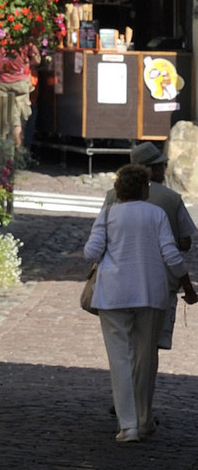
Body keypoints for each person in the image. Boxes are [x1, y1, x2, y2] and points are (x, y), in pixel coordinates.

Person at [84, 163, 189, 442]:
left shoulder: (108, 214)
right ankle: (144, 420)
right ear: (144, 188)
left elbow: (91, 251)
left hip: (113, 294)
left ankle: (127, 425)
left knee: (120, 358)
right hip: (150, 293)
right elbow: (172, 254)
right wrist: (187, 285)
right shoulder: (156, 214)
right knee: (145, 357)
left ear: (118, 190)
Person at [99, 141, 196, 355]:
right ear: (149, 170)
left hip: (119, 282)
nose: (164, 170)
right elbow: (184, 244)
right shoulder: (171, 199)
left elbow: (99, 241)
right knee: (150, 348)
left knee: (124, 347)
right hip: (159, 284)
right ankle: (141, 387)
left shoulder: (112, 196)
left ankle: (128, 386)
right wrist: (188, 287)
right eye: (160, 166)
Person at [0, 40, 37, 158]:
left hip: (3, 81)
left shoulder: (0, 38)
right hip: (20, 82)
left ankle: (4, 156)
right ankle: (18, 155)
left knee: (4, 120)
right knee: (18, 121)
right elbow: (36, 59)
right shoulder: (24, 39)